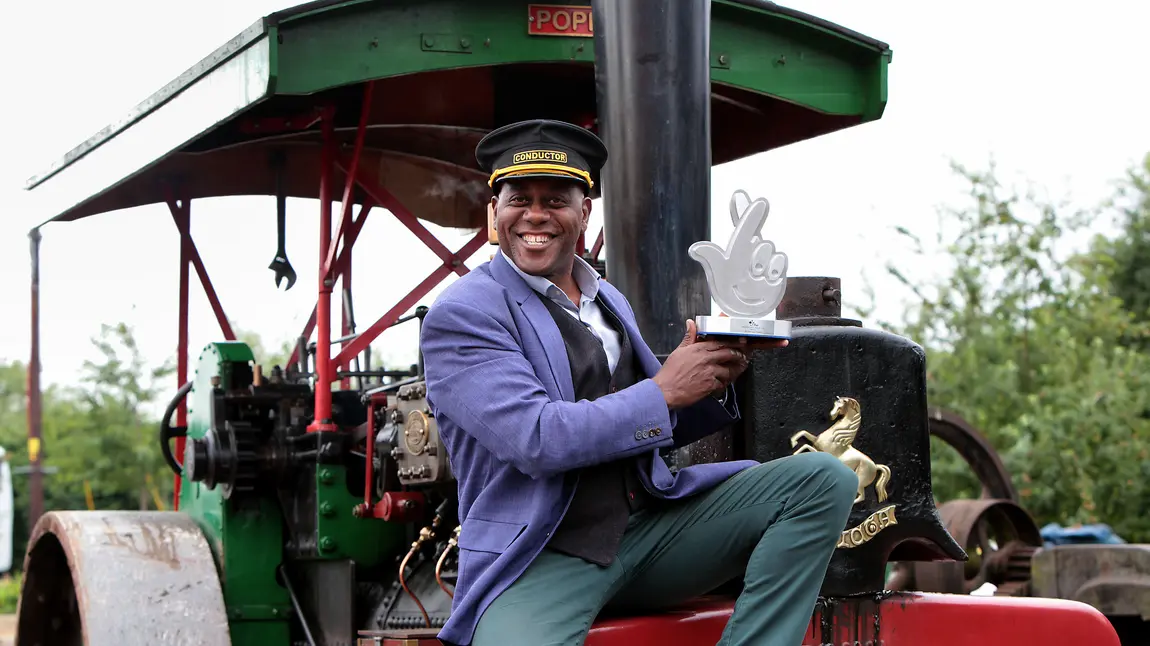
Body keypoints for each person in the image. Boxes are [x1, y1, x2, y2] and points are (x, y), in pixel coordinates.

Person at [420, 119, 858, 646]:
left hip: (647, 531)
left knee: (822, 481)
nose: (536, 214)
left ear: (583, 213)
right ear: (495, 213)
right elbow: (537, 439)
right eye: (520, 198)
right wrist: (666, 389)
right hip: (540, 555)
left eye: (556, 200)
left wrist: (713, 375)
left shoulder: (607, 299)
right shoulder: (463, 313)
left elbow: (648, 419)